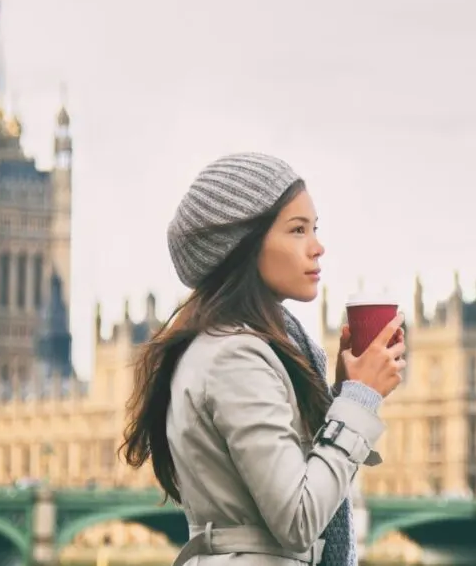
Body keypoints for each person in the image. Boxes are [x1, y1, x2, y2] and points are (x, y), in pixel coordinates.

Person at [120, 152, 407, 566]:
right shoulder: (234, 357)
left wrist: (342, 395)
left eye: (315, 229)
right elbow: (298, 518)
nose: (317, 247)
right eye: (296, 230)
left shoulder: (247, 347)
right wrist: (359, 401)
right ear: (244, 246)